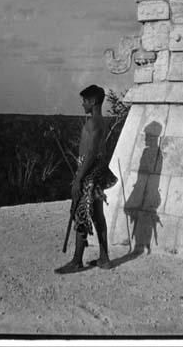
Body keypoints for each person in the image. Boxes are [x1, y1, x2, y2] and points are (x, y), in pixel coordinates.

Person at [55, 84, 117, 274]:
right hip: (96, 169)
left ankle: (76, 261)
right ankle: (104, 259)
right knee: (97, 213)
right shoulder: (101, 121)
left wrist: (78, 178)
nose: (82, 104)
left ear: (93, 102)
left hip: (89, 171)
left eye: (84, 101)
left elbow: (90, 153)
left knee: (82, 213)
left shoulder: (93, 123)